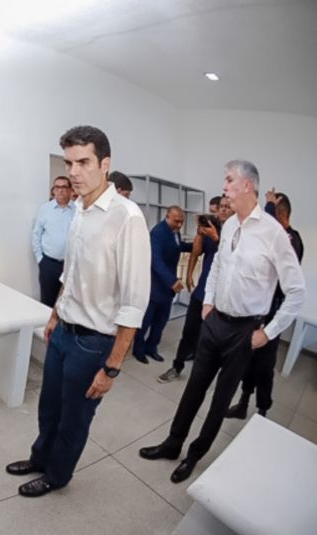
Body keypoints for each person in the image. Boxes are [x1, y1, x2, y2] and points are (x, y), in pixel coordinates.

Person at [139, 160, 305, 484]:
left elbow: (297, 292)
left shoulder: (273, 233)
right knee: (194, 388)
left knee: (220, 400)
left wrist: (268, 333)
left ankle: (194, 454)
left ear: (248, 185)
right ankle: (173, 443)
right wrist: (209, 302)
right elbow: (217, 266)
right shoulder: (228, 226)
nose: (224, 187)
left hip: (244, 331)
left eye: (229, 180)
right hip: (215, 322)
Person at [5, 126, 150, 497]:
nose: (74, 172)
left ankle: (57, 475)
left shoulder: (126, 217)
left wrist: (112, 368)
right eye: (69, 163)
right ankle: (40, 458)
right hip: (63, 331)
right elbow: (70, 273)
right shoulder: (80, 210)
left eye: (83, 162)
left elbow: (134, 302)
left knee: (74, 417)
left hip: (93, 342)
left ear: (105, 163)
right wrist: (55, 314)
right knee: (48, 406)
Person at [226, 192, 304, 418]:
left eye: (271, 213)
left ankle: (262, 410)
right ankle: (243, 404)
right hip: (257, 310)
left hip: (273, 311)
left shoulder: (290, 239)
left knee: (264, 364)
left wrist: (268, 204)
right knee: (248, 359)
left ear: (282, 215)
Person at [158, 196, 235, 382]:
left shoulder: (237, 234)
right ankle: (177, 366)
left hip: (221, 297)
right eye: (221, 206)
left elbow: (234, 259)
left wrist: (216, 237)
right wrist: (200, 234)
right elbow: (196, 251)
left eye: (227, 207)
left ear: (234, 209)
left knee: (210, 338)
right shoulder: (211, 229)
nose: (223, 210)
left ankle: (202, 374)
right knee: (189, 332)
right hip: (202, 292)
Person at [132, 206, 192, 363]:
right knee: (145, 321)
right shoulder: (157, 233)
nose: (179, 225)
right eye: (176, 221)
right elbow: (156, 261)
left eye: (182, 221)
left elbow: (178, 246)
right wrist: (172, 281)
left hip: (167, 288)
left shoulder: (175, 231)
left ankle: (151, 348)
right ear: (168, 217)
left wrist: (196, 246)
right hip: (155, 286)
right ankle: (138, 350)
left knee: (161, 321)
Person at [31, 176, 76, 307]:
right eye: (57, 187)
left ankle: (63, 322)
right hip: (48, 264)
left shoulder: (78, 210)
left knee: (68, 303)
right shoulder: (45, 209)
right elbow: (36, 235)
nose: (60, 190)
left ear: (70, 190)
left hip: (70, 265)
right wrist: (40, 259)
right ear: (53, 190)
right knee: (47, 303)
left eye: (64, 187)